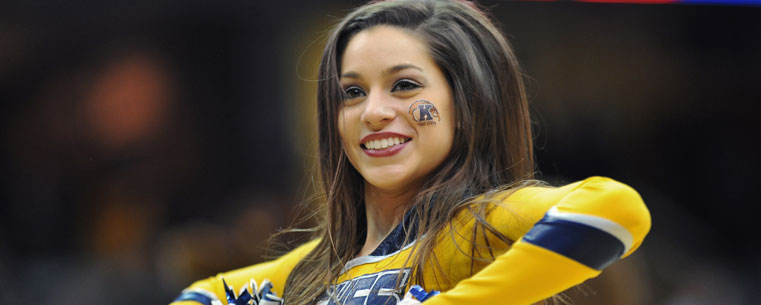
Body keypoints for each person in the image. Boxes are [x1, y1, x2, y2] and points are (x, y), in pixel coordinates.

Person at [171, 1, 651, 305]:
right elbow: (201, 294)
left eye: (404, 86)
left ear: (465, 104)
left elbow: (615, 210)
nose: (373, 112)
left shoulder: (475, 228)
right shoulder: (311, 269)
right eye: (352, 93)